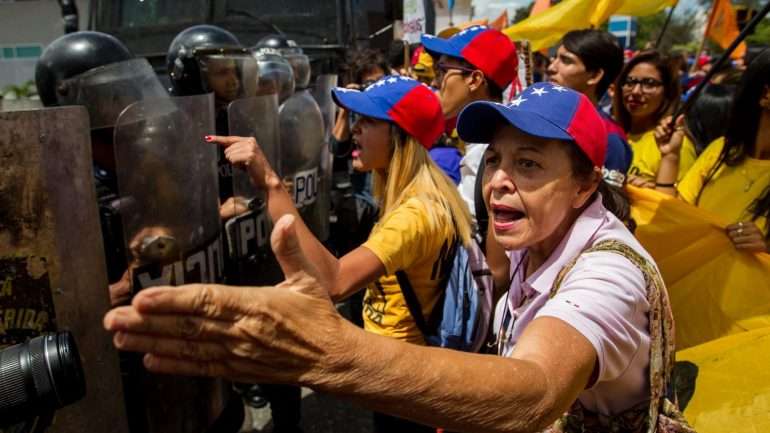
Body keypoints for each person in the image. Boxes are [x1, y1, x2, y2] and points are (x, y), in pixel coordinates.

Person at [104, 83, 688, 433]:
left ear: (586, 185)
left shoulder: (608, 271)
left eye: (529, 164)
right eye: (496, 160)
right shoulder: (534, 232)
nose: (498, 184)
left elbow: (535, 389)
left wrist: (326, 353)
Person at [213, 76, 472, 432]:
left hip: (406, 379)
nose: (354, 131)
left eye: (367, 122)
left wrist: (271, 184)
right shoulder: (414, 194)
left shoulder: (417, 212)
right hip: (399, 372)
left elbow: (334, 281)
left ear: (400, 135)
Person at [653, 49, 770, 253]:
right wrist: (670, 157)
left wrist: (766, 249)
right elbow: (669, 219)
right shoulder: (721, 150)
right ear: (766, 95)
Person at [421, 25, 519, 219]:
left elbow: (469, 229)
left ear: (474, 80)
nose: (434, 82)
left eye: (441, 71)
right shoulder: (488, 140)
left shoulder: (492, 152)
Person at [547, 29, 633, 195]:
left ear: (594, 75)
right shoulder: (542, 118)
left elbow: (610, 207)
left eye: (566, 61)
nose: (551, 67)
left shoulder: (610, 139)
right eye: (555, 58)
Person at [613, 50, 697, 188]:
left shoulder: (675, 145)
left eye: (649, 84)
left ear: (668, 92)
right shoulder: (612, 134)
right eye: (629, 82)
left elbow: (680, 206)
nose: (635, 91)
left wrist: (651, 190)